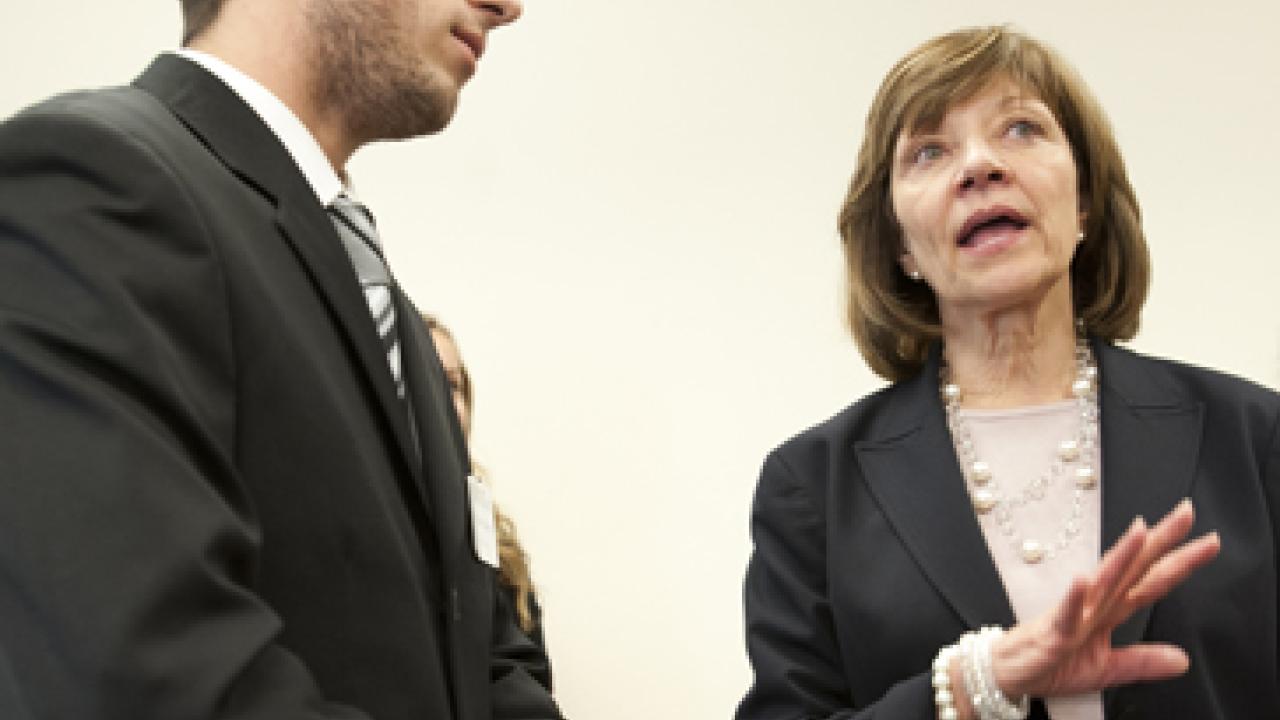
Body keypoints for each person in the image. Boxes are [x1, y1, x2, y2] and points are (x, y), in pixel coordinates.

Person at [0, 0, 562, 719]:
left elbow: (485, 655)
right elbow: (153, 680)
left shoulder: (394, 319)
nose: (509, 7)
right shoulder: (87, 183)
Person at [735, 25, 1279, 720]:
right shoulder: (812, 487)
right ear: (901, 245)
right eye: (930, 151)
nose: (981, 166)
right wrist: (974, 683)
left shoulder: (1255, 438)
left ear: (1082, 202)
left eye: (1021, 129)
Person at [424, 314, 554, 691]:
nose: (447, 403)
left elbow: (530, 669)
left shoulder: (496, 540)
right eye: (431, 382)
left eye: (454, 385)